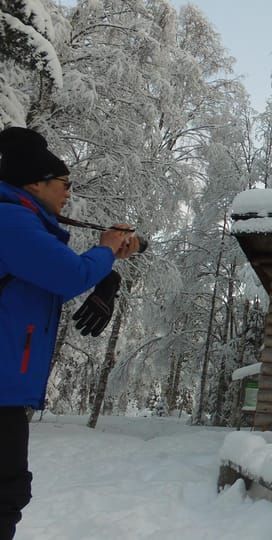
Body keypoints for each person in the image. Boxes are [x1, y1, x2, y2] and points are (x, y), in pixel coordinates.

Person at [0, 126, 139, 539]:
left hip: (7, 386)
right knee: (4, 494)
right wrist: (106, 250)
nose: (68, 194)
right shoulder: (10, 219)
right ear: (35, 183)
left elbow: (34, 295)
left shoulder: (20, 222)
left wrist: (104, 275)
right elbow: (67, 274)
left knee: (6, 493)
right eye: (64, 184)